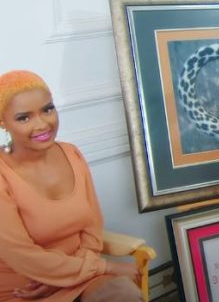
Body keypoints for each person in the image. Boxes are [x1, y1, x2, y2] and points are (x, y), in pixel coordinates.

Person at [0, 70, 142, 301]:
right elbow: (22, 255)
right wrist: (105, 266)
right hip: (26, 288)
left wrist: (72, 274)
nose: (42, 124)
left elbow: (92, 226)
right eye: (24, 118)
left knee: (123, 295)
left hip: (79, 274)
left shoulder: (71, 153)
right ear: (3, 122)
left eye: (47, 109)